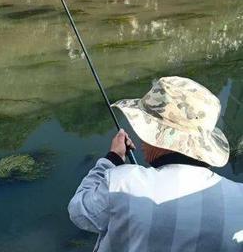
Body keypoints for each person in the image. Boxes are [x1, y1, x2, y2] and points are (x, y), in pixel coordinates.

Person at [68, 76, 243, 252]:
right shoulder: (239, 198)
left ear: (159, 138)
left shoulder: (123, 183)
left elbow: (79, 212)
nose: (142, 141)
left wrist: (111, 159)